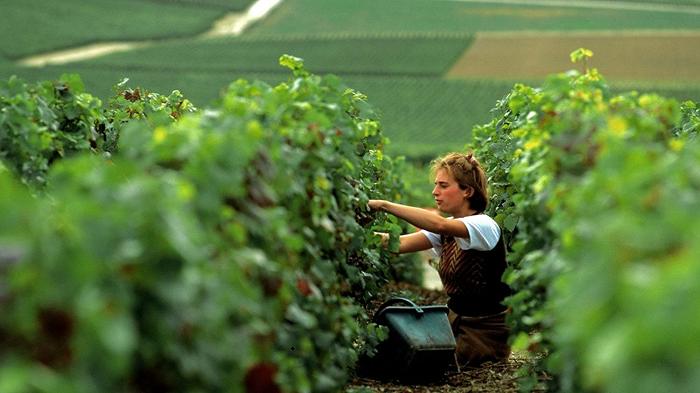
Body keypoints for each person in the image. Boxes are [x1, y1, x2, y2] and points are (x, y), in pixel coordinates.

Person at [368, 151, 511, 368]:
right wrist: (352, 234)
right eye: (436, 185)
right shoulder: (449, 228)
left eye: (443, 186)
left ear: (467, 191)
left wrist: (383, 205)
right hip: (453, 324)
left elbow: (439, 225)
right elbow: (396, 244)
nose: (435, 192)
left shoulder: (484, 225)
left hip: (484, 332)